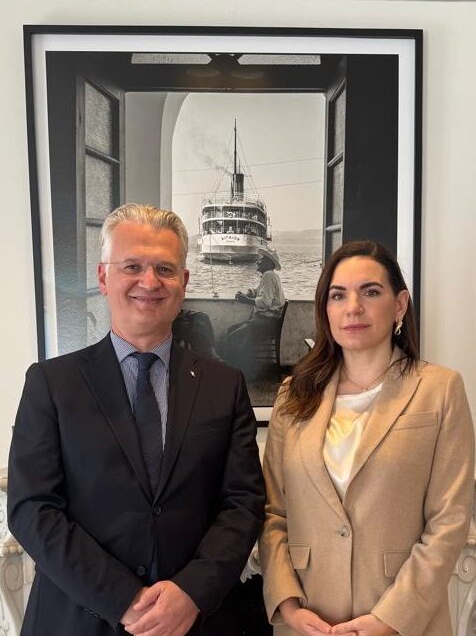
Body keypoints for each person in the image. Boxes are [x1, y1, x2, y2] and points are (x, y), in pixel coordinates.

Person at [8, 203, 265, 636]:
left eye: (165, 269)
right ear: (103, 277)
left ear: (183, 282)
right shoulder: (51, 383)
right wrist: (123, 599)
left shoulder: (225, 385)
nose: (149, 282)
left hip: (197, 621)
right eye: (132, 266)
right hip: (79, 619)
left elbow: (243, 502)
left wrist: (191, 593)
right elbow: (32, 507)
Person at [259, 240, 474, 636]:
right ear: (326, 308)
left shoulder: (439, 389)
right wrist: (287, 603)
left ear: (400, 304)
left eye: (370, 292)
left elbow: (449, 520)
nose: (353, 307)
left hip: (406, 621)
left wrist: (390, 618)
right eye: (338, 295)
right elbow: (275, 513)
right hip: (308, 620)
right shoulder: (293, 396)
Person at [226, 248, 285, 377]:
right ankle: (244, 369)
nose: (258, 262)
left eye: (261, 259)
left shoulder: (268, 275)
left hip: (266, 322)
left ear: (269, 263)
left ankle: (244, 371)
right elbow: (258, 291)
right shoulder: (270, 275)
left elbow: (265, 302)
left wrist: (246, 300)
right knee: (232, 330)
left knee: (234, 335)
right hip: (266, 322)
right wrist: (248, 293)